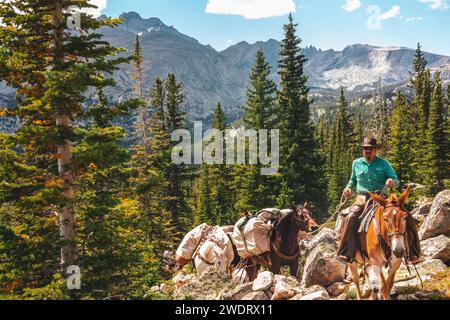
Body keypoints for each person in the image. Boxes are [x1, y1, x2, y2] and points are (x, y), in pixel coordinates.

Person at [336, 137, 422, 264]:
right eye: (365, 149)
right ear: (362, 150)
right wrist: (348, 188)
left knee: (406, 216)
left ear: (375, 150)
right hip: (362, 198)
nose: (368, 151)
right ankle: (346, 252)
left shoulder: (384, 163)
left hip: (382, 198)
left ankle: (413, 253)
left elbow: (395, 180)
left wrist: (392, 182)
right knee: (350, 217)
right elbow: (352, 181)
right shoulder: (356, 163)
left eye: (370, 149)